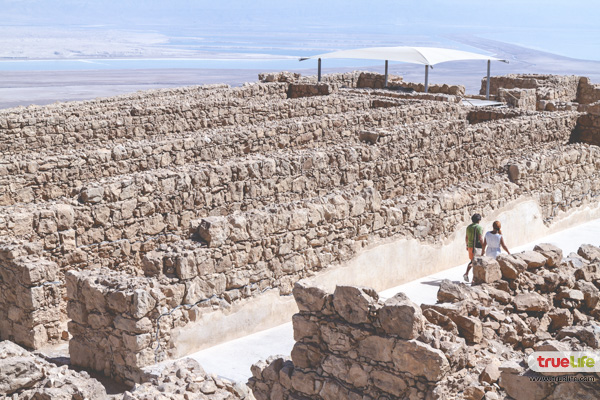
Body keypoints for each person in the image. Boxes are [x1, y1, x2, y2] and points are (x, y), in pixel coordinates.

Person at [464, 213, 483, 282]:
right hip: (477, 247)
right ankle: (474, 279)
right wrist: (483, 246)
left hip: (470, 247)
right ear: (479, 220)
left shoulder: (468, 227)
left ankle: (466, 274)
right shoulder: (479, 227)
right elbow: (480, 238)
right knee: (476, 263)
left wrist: (467, 245)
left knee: (472, 261)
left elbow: (466, 237)